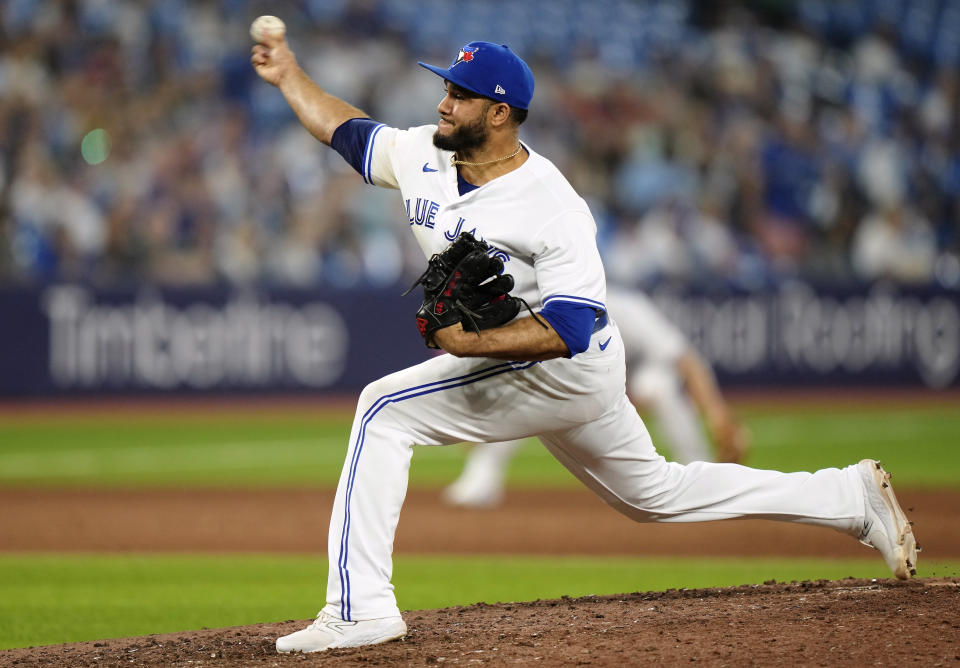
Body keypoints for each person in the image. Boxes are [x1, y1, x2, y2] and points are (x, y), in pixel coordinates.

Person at [250, 34, 918, 654]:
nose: (442, 102)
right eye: (446, 89)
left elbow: (569, 330)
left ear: (502, 113)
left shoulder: (552, 205)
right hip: (561, 372)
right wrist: (288, 76)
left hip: (564, 367)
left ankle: (360, 607)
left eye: (459, 95)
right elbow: (346, 129)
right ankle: (848, 497)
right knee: (653, 494)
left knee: (381, 409)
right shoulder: (425, 152)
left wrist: (466, 344)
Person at [444, 286, 750, 508]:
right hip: (586, 382)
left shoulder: (628, 307)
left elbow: (686, 362)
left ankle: (699, 469)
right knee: (529, 387)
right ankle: (483, 478)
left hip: (635, 378)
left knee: (657, 386)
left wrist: (717, 415)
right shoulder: (548, 310)